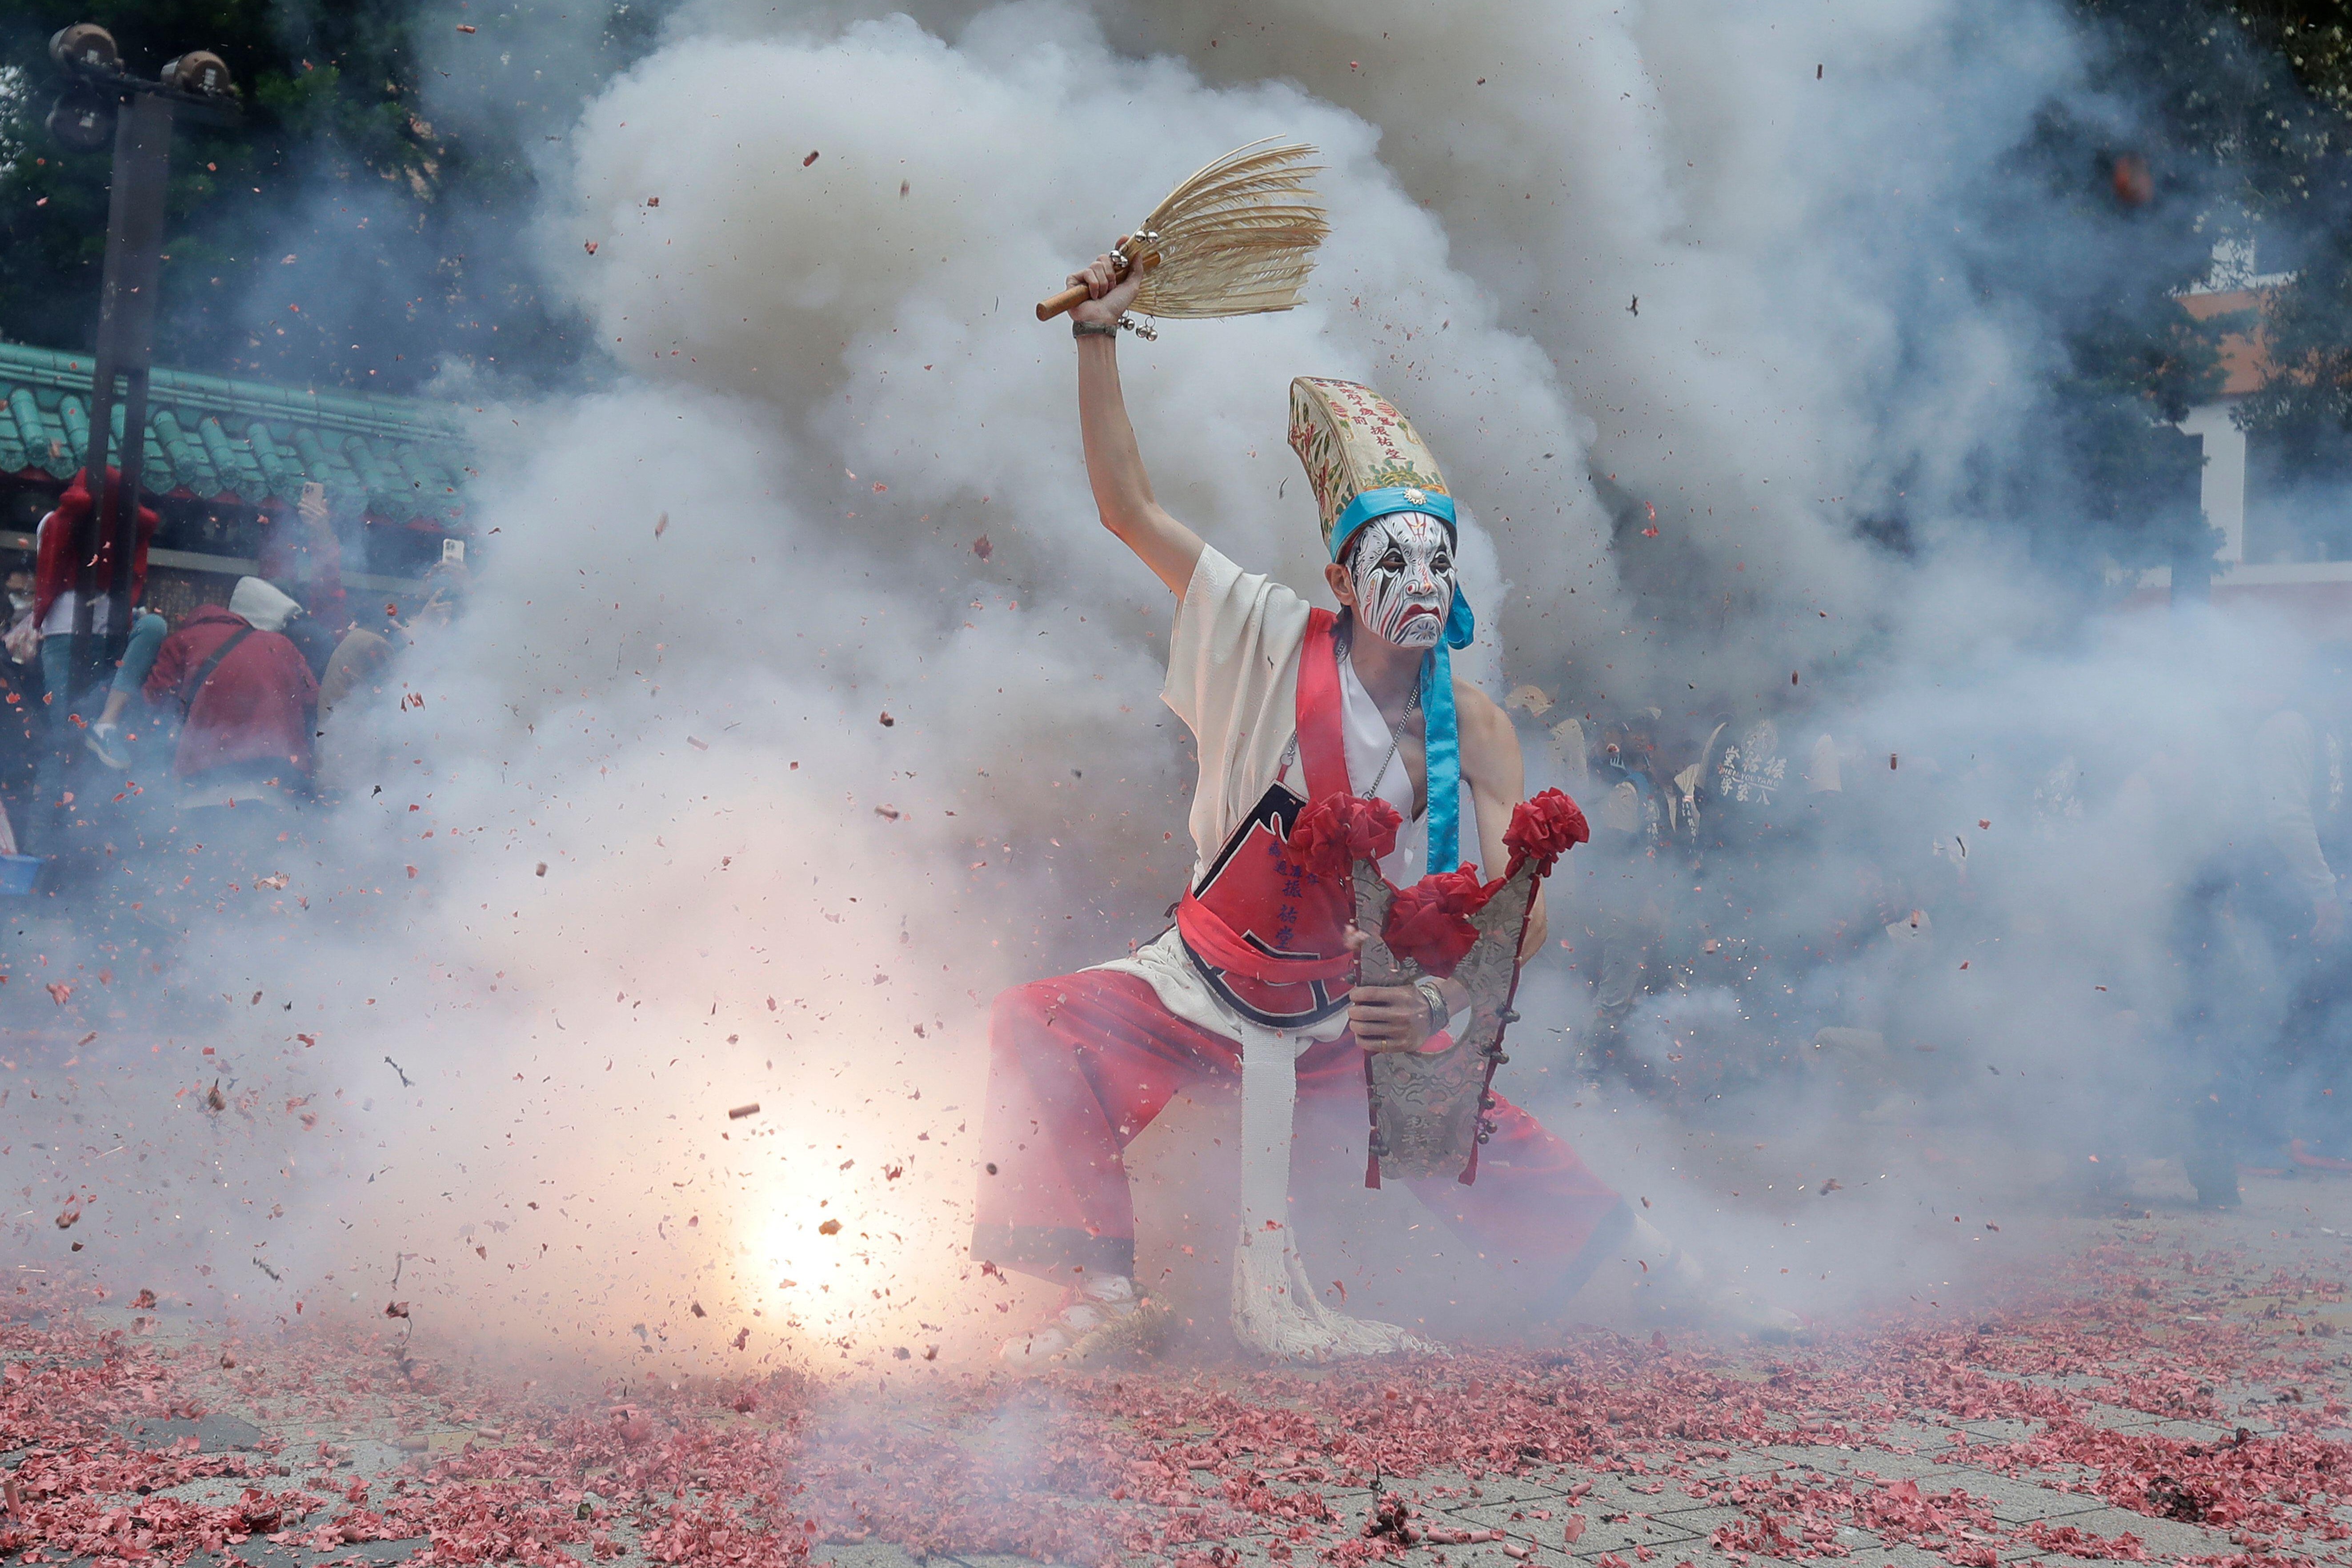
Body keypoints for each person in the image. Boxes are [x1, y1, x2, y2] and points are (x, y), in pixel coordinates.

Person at [972, 255, 1794, 1367]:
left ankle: (1670, 1282)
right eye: (1392, 562)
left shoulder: (1477, 726)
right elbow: (1128, 509)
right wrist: (1096, 339)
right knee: (1040, 1020)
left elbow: (1518, 922)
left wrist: (1454, 966)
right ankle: (1102, 1294)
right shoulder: (1266, 635)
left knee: (1460, 1113)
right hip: (1200, 974)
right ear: (1340, 578)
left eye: (1437, 564)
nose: (1419, 583)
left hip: (1339, 1009)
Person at [24, 468, 160, 846]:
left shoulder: (124, 533)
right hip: (64, 639)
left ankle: (106, 724)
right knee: (61, 739)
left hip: (109, 638)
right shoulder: (55, 523)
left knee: (154, 627)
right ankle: (39, 845)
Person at [143, 576, 318, 808]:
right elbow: (314, 703)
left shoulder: (182, 640)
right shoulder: (284, 646)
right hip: (279, 783)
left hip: (204, 783)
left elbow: (155, 703)